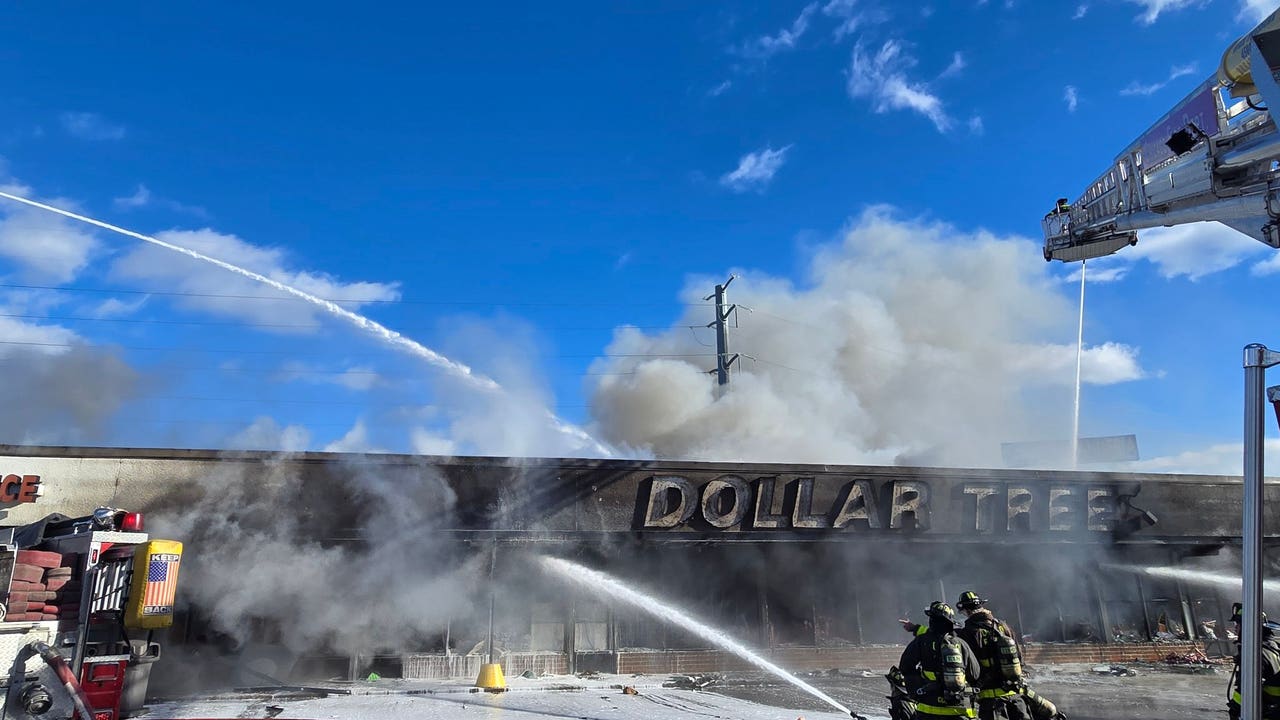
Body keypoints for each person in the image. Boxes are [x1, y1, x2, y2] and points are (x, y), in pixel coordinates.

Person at [955, 591, 1066, 720]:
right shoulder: (1003, 626)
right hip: (1016, 697)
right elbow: (1019, 658)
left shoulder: (967, 633)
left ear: (966, 611)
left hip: (992, 702)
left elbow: (970, 669)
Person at [898, 601, 981, 719]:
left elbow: (905, 667)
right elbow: (975, 673)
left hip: (929, 707)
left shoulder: (921, 642)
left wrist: (918, 688)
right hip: (960, 708)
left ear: (931, 620)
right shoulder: (961, 643)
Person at [1227, 602, 1280, 720]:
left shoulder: (1255, 654)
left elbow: (1247, 690)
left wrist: (1235, 709)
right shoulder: (1273, 647)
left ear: (1248, 626)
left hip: (1262, 712)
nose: (1235, 627)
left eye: (1238, 623)